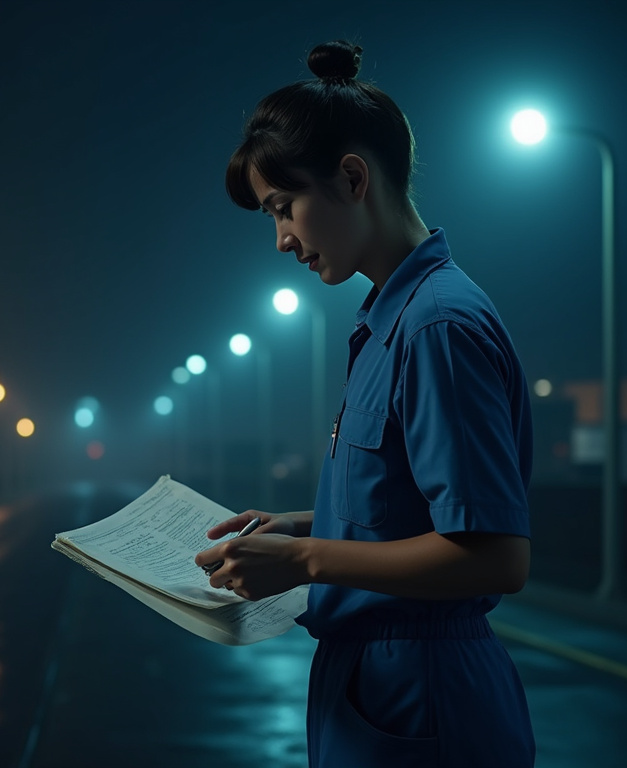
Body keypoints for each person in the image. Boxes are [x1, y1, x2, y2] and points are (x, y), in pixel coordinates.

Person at [195, 40, 536, 768]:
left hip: (424, 691)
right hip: (375, 684)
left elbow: (494, 556)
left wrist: (307, 558)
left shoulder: (437, 324)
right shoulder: (390, 318)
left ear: (352, 178)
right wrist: (297, 526)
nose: (282, 239)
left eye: (283, 209)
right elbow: (412, 512)